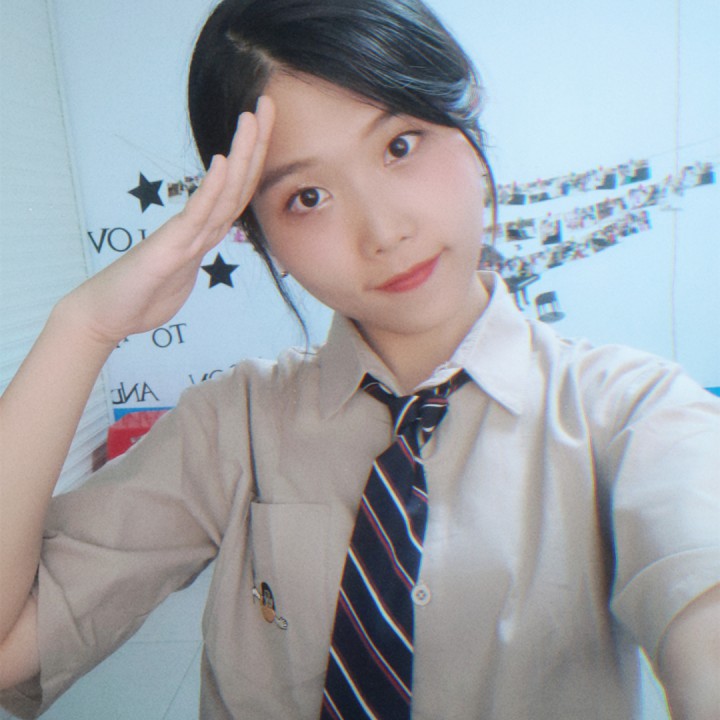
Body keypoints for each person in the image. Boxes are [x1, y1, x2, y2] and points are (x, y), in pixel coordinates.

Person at [1, 0, 719, 718]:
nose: (384, 231)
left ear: (466, 118)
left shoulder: (630, 414)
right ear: (257, 234)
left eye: (400, 145)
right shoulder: (230, 427)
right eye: (308, 196)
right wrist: (84, 326)